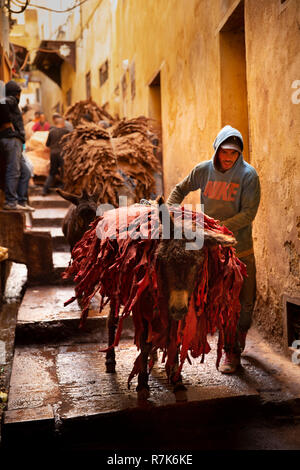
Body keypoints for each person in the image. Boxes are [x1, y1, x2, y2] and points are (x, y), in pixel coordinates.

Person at [167, 125, 261, 374]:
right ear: (217, 149)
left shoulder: (248, 175)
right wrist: (171, 213)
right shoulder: (203, 170)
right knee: (218, 301)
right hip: (207, 249)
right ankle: (229, 352)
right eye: (224, 152)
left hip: (239, 249)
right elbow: (179, 190)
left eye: (233, 153)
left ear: (239, 153)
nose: (228, 157)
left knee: (244, 302)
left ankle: (237, 341)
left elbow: (249, 213)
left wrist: (218, 228)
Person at [0, 80, 34, 211]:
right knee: (13, 171)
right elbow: (2, 103)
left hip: (14, 140)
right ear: (17, 94)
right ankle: (11, 202)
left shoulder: (8, 100)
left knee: (25, 172)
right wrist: (9, 124)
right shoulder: (10, 99)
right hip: (12, 139)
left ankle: (21, 201)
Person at [42, 116, 70, 195]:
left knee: (52, 172)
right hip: (62, 153)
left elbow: (47, 145)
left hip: (53, 154)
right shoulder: (66, 131)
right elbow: (69, 143)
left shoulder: (51, 131)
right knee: (64, 172)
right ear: (63, 123)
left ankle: (45, 189)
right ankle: (64, 190)